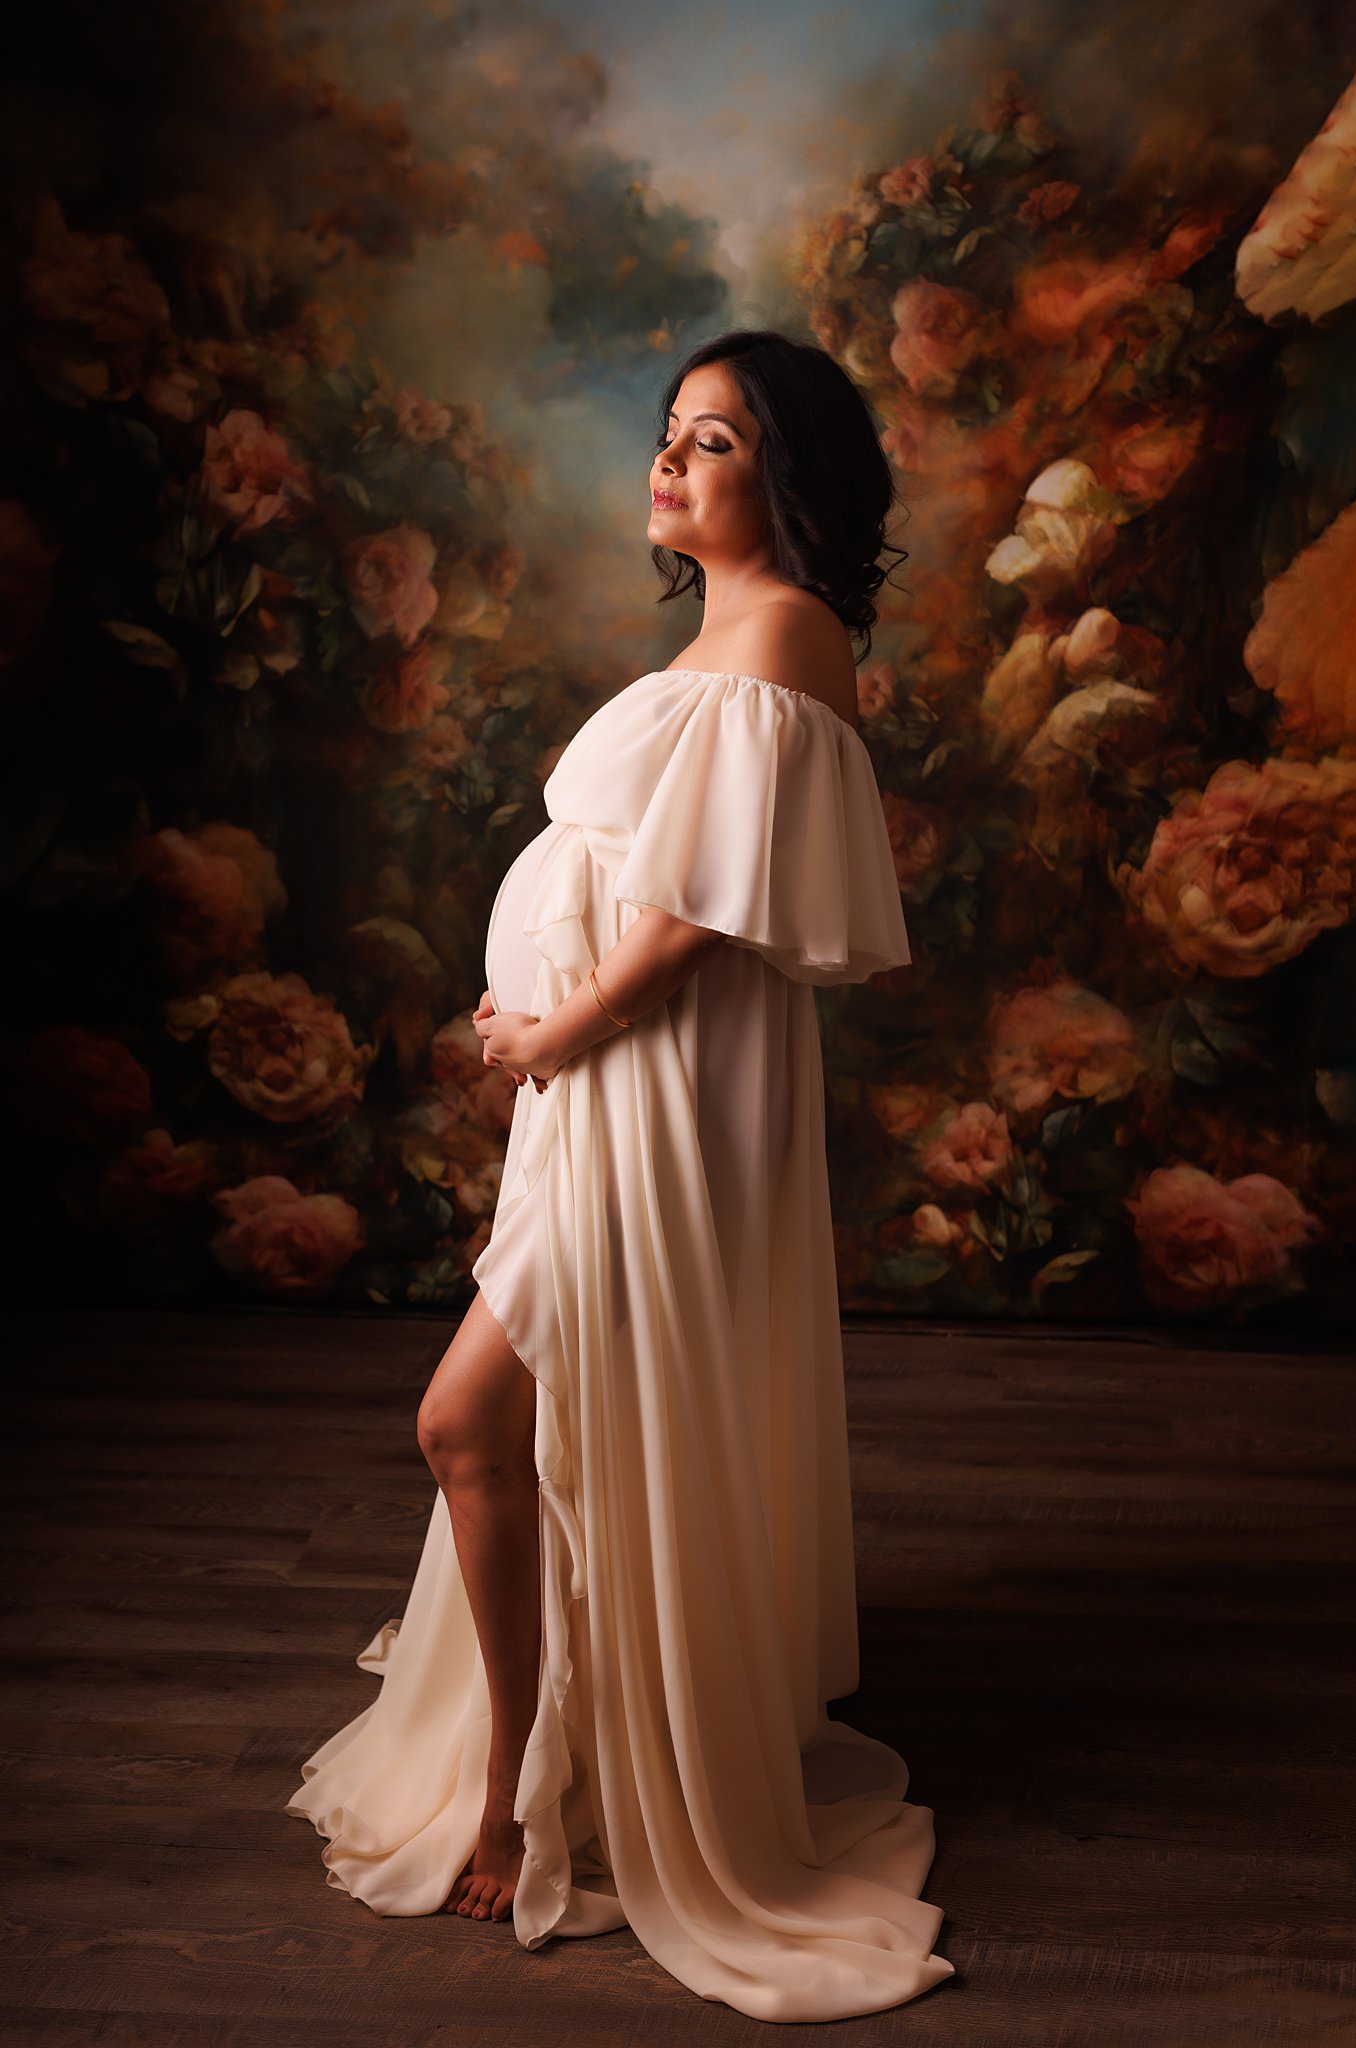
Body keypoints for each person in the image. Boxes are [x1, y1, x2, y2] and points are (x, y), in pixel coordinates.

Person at [284, 328, 955, 2023]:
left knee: (464, 1421)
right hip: (598, 1085)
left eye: (713, 439)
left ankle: (522, 1783)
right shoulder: (725, 635)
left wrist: (554, 1031)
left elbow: (699, 913)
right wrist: (541, 1031)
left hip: (641, 1085)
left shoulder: (788, 628)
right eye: (669, 433)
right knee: (508, 1428)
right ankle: (539, 1741)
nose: (671, 462)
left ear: (782, 475)